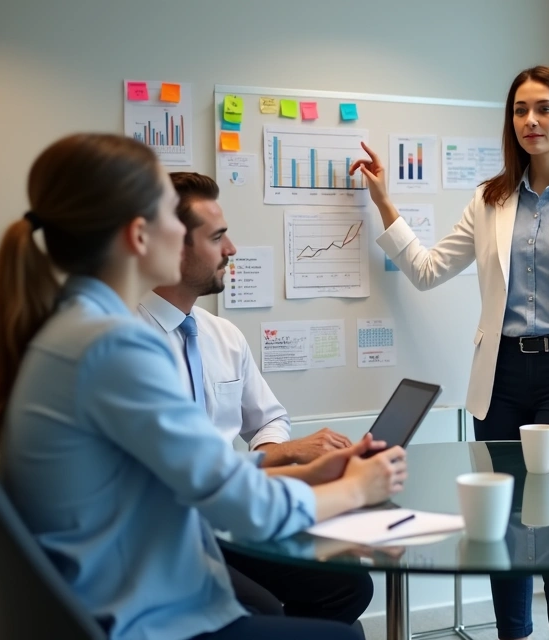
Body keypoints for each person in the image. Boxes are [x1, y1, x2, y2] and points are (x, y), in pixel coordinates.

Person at [0, 133, 407, 640]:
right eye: (173, 218)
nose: (193, 233)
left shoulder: (71, 329)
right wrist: (357, 488)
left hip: (105, 597)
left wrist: (296, 468)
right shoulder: (114, 347)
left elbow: (185, 474)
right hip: (140, 617)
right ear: (139, 235)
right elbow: (241, 507)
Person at [352, 65, 549, 640]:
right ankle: (513, 632)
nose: (530, 121)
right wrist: (384, 202)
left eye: (543, 109)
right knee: (504, 519)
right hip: (502, 375)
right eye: (519, 110)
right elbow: (429, 269)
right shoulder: (490, 200)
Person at [136, 171, 372, 624]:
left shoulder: (221, 334)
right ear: (173, 246)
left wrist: (272, 454)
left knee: (346, 584)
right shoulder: (131, 344)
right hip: (175, 530)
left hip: (231, 516)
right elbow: (177, 475)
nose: (232, 249)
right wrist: (279, 460)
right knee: (262, 611)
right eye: (218, 237)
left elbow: (269, 419)